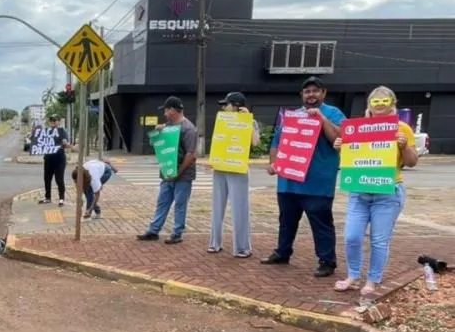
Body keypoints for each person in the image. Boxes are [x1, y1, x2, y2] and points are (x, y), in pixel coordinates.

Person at [333, 86, 418, 298]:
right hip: (359, 191)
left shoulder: (402, 128)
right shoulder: (357, 128)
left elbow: (411, 162)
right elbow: (352, 159)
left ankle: (373, 279)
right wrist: (340, 146)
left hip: (388, 192)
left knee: (379, 240)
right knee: (351, 236)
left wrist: (405, 146)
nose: (379, 105)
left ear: (392, 103)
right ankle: (353, 276)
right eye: (375, 101)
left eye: (384, 101)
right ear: (369, 104)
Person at [261, 76, 344, 277]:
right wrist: (274, 164)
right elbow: (277, 142)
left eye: (316, 91)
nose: (311, 95)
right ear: (302, 95)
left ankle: (327, 260)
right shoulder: (291, 115)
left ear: (323, 93)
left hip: (318, 182)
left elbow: (340, 137)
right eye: (307, 91)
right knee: (286, 220)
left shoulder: (333, 113)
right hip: (288, 182)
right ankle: (282, 252)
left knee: (321, 222)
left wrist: (321, 119)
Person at [137, 96, 198, 244]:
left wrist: (178, 172)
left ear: (172, 110)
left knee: (179, 204)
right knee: (163, 202)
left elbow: (191, 154)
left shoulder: (188, 129)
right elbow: (156, 144)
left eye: (166, 110)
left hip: (183, 175)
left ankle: (177, 233)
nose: (164, 113)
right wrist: (158, 132)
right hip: (167, 171)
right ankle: (153, 230)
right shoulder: (168, 126)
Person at [207, 92, 261, 258]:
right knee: (217, 206)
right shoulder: (223, 120)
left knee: (240, 207)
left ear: (236, 105)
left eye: (227, 104)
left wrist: (248, 122)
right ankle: (214, 243)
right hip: (221, 166)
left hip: (238, 168)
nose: (224, 107)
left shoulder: (250, 121)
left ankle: (242, 247)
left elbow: (255, 142)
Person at [37, 115, 69, 207]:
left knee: (59, 179)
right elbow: (40, 142)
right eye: (51, 121)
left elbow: (66, 143)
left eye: (55, 121)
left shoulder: (62, 131)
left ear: (58, 122)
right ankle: (47, 197)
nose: (53, 123)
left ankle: (61, 199)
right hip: (48, 159)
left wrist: (65, 143)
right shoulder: (46, 131)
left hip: (59, 159)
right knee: (47, 179)